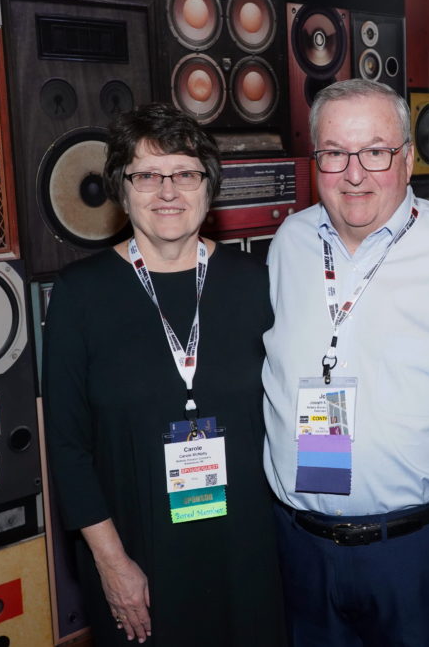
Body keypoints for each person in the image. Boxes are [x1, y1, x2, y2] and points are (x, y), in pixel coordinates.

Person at [262, 78, 429, 646]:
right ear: (315, 161)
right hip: (304, 550)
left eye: (375, 152)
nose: (354, 173)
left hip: (424, 555)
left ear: (407, 160)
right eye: (334, 154)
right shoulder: (289, 244)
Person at [43, 103, 285, 645]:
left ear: (209, 186)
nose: (168, 191)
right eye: (147, 175)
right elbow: (67, 446)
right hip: (138, 550)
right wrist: (110, 563)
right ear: (121, 190)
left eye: (186, 173)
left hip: (247, 543)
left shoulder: (257, 283)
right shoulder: (81, 294)